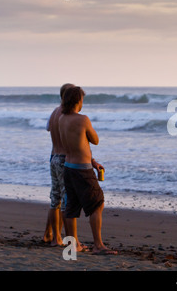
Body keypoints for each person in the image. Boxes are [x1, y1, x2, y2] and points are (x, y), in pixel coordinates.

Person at [59, 86, 117, 255]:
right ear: (78, 101)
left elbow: (76, 144)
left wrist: (92, 161)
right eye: (82, 100)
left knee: (71, 206)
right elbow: (95, 140)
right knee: (97, 203)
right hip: (82, 171)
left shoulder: (62, 118)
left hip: (68, 167)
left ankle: (72, 245)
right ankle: (98, 245)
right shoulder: (83, 119)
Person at [43, 83, 74, 247]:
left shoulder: (54, 112)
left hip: (53, 156)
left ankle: (52, 236)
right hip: (63, 159)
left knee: (54, 200)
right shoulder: (66, 114)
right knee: (65, 199)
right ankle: (60, 238)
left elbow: (48, 128)